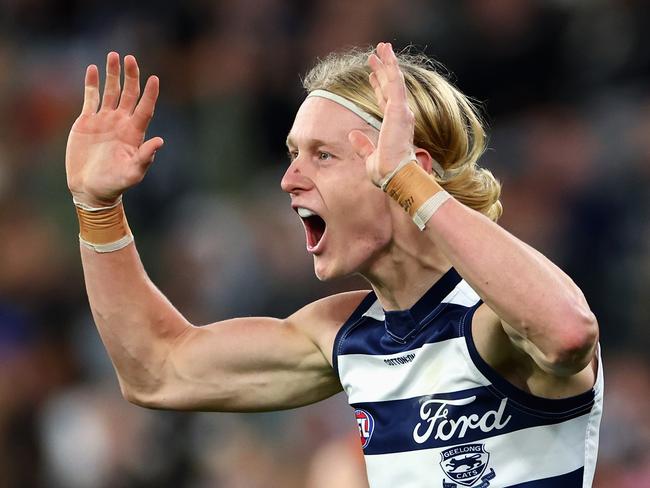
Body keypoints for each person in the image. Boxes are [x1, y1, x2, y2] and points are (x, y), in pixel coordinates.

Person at [65, 42, 603, 487]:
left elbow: (567, 332)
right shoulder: (343, 334)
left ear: (406, 170)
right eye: (293, 153)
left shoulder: (490, 317)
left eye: (322, 155)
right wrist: (97, 208)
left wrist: (412, 186)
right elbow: (156, 371)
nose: (289, 178)